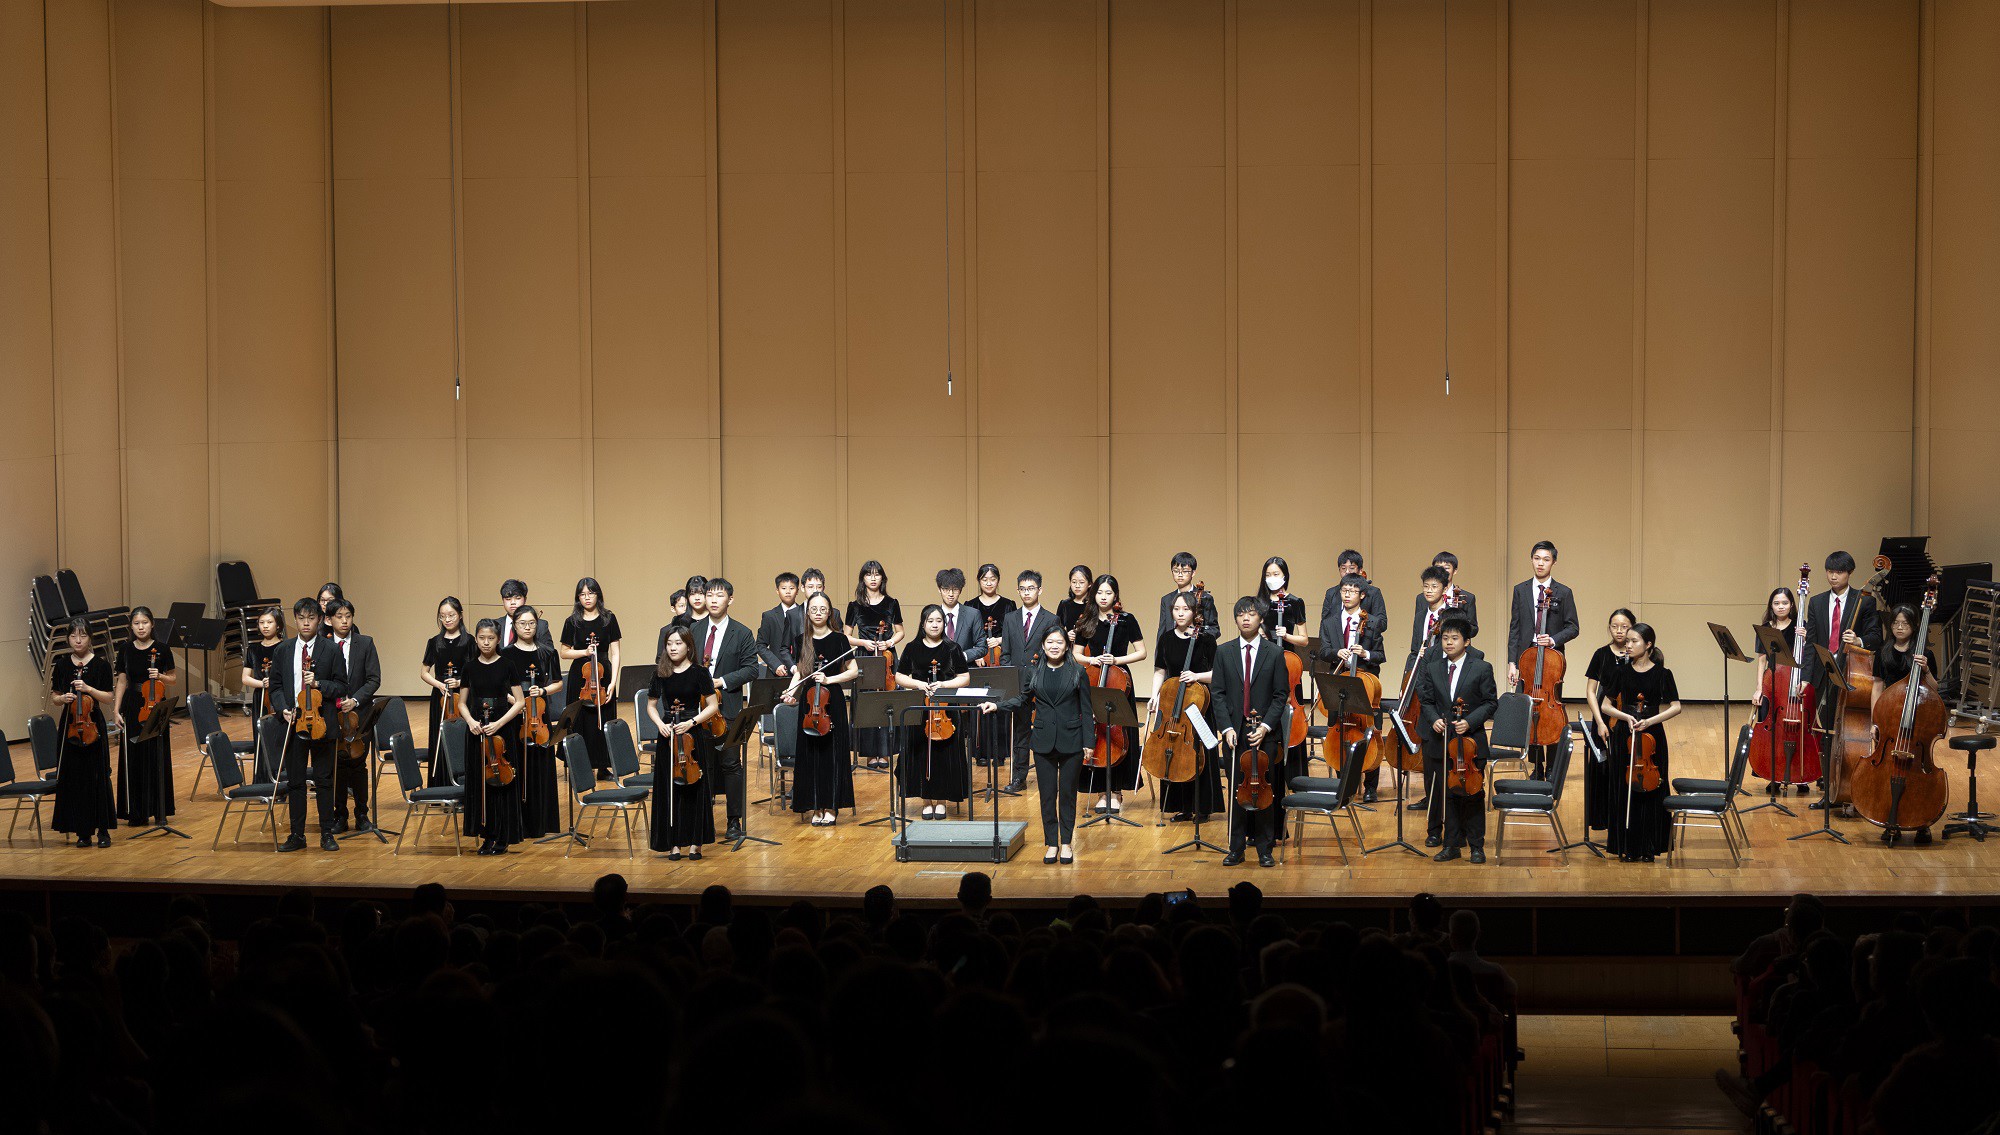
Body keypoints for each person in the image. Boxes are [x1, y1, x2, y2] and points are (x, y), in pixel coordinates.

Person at [984, 624, 1094, 864]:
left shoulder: (1078, 672)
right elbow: (1022, 700)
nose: (1054, 646)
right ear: (1043, 646)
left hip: (1072, 741)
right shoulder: (1034, 672)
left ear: (1067, 646)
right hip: (1043, 742)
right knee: (1046, 796)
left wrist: (1089, 742)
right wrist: (997, 705)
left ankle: (1066, 842)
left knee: (1067, 795)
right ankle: (1051, 843)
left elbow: (1086, 709)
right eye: (1050, 642)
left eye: (1059, 642)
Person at [1212, 597, 1289, 868]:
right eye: (1241, 614)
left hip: (1264, 733)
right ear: (1235, 619)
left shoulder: (1274, 653)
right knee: (1237, 791)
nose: (1246, 618)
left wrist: (1266, 726)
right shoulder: (1224, 652)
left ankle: (1265, 849)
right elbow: (1218, 694)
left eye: (1252, 614)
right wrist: (1227, 728)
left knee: (1265, 791)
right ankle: (1236, 848)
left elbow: (1281, 695)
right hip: (1236, 732)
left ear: (1260, 620)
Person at [269, 598, 349, 853]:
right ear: (295, 620)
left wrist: (319, 685)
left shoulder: (331, 650)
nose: (306, 622)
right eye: (301, 618)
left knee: (324, 780)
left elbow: (341, 686)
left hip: (322, 723)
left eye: (311, 618)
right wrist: (282, 708)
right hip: (293, 723)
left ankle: (326, 833)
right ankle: (297, 834)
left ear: (319, 620)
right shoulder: (283, 650)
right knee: (295, 781)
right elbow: (276, 685)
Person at [1416, 615, 1497, 863]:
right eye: (1445, 638)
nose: (1448, 643)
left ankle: (1476, 846)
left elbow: (1491, 702)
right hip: (1442, 741)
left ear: (1467, 641)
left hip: (1470, 742)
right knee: (1447, 795)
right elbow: (1427, 701)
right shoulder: (1432, 668)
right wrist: (1433, 719)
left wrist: (1470, 721)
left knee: (1472, 795)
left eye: (1454, 638)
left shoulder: (1481, 667)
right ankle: (1451, 845)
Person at [1598, 622, 1681, 862]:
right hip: (1626, 734)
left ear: (1648, 645)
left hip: (1652, 735)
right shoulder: (1620, 672)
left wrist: (1650, 720)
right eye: (1628, 641)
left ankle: (1649, 846)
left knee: (1652, 787)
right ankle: (1627, 846)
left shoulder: (1663, 674)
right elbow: (1606, 704)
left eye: (1634, 641)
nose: (1628, 644)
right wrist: (1626, 717)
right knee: (1625, 787)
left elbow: (1676, 706)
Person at [782, 593, 858, 826]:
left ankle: (832, 805)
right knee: (811, 754)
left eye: (822, 609)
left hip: (830, 701)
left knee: (832, 754)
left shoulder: (840, 640)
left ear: (829, 612)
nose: (817, 612)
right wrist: (790, 692)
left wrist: (829, 679)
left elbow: (853, 671)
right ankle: (816, 804)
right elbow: (799, 672)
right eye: (813, 609)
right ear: (808, 613)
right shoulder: (801, 639)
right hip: (808, 701)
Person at [1506, 541, 1579, 780]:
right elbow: (1514, 629)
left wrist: (1554, 640)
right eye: (1537, 558)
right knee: (1531, 713)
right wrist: (1512, 662)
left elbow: (1573, 627)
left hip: (1551, 664)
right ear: (1531, 560)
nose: (1540, 563)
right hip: (1527, 661)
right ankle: (1537, 767)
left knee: (1552, 714)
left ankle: (1553, 768)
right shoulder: (1520, 589)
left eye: (1546, 559)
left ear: (1553, 562)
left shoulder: (1563, 592)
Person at [647, 625, 719, 859]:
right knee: (671, 789)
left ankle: (695, 842)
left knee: (694, 787)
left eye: (678, 643)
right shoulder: (660, 673)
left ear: (688, 646)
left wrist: (692, 722)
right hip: (668, 734)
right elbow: (651, 706)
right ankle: (673, 842)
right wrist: (660, 724)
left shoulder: (700, 672)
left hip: (691, 734)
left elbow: (712, 706)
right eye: (669, 644)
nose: (673, 648)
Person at [1075, 574, 1145, 816]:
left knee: (1118, 734)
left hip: (1119, 681)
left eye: (1108, 593)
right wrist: (1091, 659)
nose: (1104, 597)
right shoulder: (1087, 620)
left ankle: (1116, 791)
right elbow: (1076, 654)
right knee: (1096, 732)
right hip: (1094, 678)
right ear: (1094, 595)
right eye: (1100, 593)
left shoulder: (1127, 620)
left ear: (1116, 595)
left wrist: (1117, 660)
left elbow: (1142, 653)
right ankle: (1100, 793)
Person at [697, 578, 760, 842]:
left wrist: (721, 681)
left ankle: (734, 821)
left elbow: (751, 669)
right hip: (699, 711)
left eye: (719, 595)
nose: (713, 599)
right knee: (704, 766)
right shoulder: (694, 629)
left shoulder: (742, 632)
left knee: (731, 764)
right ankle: (703, 820)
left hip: (730, 710)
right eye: (709, 594)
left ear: (729, 600)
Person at [896, 604, 972, 819]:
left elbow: (964, 677)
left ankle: (941, 801)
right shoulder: (912, 647)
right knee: (921, 753)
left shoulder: (953, 648)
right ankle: (926, 800)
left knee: (945, 753)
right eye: (930, 620)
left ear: (944, 623)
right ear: (923, 623)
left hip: (947, 708)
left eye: (939, 620)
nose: (935, 624)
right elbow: (900, 676)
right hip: (921, 707)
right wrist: (919, 684)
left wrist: (944, 686)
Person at [459, 618, 526, 856]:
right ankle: (486, 835)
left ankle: (503, 836)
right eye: (481, 638)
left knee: (502, 783)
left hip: (502, 730)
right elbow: (462, 704)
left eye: (491, 638)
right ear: (475, 639)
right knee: (481, 784)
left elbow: (519, 702)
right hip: (477, 731)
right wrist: (470, 722)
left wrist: (498, 723)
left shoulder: (507, 665)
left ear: (498, 640)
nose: (486, 643)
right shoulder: (469, 667)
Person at [1317, 575, 1387, 800]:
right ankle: (1343, 783)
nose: (1347, 595)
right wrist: (1336, 652)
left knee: (1369, 729)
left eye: (1352, 591)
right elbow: (1323, 650)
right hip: (1338, 680)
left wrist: (1365, 653)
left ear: (1362, 595)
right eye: (1344, 591)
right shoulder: (1329, 622)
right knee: (1338, 727)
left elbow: (1380, 655)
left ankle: (1371, 788)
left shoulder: (1373, 622)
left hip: (1365, 682)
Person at [1153, 591, 1219, 823]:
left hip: (1199, 704)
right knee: (1172, 750)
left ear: (1195, 613)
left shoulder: (1206, 640)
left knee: (1198, 752)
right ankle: (1181, 806)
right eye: (1176, 609)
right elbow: (1161, 669)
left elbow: (1218, 674)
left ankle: (1202, 807)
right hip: (1173, 705)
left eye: (1185, 609)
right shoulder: (1167, 638)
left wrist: (1197, 675)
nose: (1180, 613)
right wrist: (1154, 696)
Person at [49, 622, 115, 847]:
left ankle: (103, 830)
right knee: (75, 778)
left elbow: (108, 697)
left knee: (98, 776)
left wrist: (88, 689)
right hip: (70, 727)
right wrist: (63, 699)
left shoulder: (101, 665)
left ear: (90, 638)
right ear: (68, 639)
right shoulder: (62, 666)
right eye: (74, 636)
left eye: (83, 636)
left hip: (93, 725)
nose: (78, 640)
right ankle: (82, 831)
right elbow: (55, 697)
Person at [113, 606, 178, 826]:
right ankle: (136, 811)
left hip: (156, 705)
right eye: (136, 623)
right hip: (133, 704)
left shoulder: (162, 648)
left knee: (157, 755)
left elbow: (173, 679)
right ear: (131, 626)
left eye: (145, 623)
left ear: (152, 624)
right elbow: (122, 681)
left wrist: (159, 675)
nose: (141, 627)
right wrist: (116, 709)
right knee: (134, 755)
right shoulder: (125, 650)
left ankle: (160, 810)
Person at [324, 600, 382, 835]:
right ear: (329, 620)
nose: (345, 620)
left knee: (358, 764)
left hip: (359, 715)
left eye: (348, 616)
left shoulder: (365, 643)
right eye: (339, 616)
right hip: (332, 715)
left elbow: (374, 679)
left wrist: (355, 700)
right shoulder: (324, 646)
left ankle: (362, 814)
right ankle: (339, 815)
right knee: (337, 765)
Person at [1000, 570, 1060, 796]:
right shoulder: (1010, 618)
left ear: (1040, 590)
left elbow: (1055, 651)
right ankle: (1019, 777)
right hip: (1018, 684)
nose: (1027, 592)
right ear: (1018, 591)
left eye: (1031, 588)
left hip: (1043, 682)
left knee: (1046, 730)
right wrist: (1011, 678)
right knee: (1020, 731)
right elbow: (1005, 653)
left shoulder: (1051, 619)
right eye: (1023, 589)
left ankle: (1049, 774)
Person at [1751, 586, 1815, 795]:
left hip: (1796, 686)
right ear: (1771, 605)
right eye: (1777, 603)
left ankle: (1801, 775)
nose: (1781, 607)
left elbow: (1808, 656)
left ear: (1792, 605)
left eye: (1785, 603)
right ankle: (1773, 773)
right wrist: (1759, 688)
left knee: (1801, 729)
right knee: (1772, 731)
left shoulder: (1800, 627)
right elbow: (1762, 660)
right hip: (1773, 686)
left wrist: (1805, 639)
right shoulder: (1766, 628)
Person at [1805, 551, 1881, 724]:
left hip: (1851, 672)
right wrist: (1805, 677)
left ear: (1849, 572)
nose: (1833, 576)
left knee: (1848, 723)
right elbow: (1811, 643)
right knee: (1823, 725)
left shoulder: (1864, 601)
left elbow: (1876, 637)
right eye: (1830, 571)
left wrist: (1858, 640)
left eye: (1839, 572)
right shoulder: (1816, 602)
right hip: (1822, 673)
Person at [558, 577, 621, 780]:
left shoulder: (609, 618)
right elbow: (564, 652)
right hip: (581, 676)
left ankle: (603, 767)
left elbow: (616, 652)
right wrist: (584, 652)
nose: (587, 598)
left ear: (598, 595)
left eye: (591, 593)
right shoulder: (572, 621)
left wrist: (612, 683)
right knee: (579, 721)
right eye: (583, 594)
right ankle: (578, 765)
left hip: (603, 675)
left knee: (603, 720)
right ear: (578, 597)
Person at [509, 606, 564, 839]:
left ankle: (541, 822)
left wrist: (541, 689)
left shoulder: (547, 653)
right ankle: (519, 822)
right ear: (514, 625)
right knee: (518, 766)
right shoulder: (506, 654)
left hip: (539, 718)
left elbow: (557, 683)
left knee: (541, 767)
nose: (528, 627)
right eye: (522, 623)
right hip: (516, 718)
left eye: (532, 623)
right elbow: (503, 688)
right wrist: (518, 703)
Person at [846, 561, 903, 772]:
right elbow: (846, 636)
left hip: (887, 656)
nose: (873, 578)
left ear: (882, 578)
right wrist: (864, 643)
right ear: (863, 579)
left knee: (887, 702)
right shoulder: (855, 606)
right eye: (868, 575)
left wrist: (889, 642)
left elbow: (900, 631)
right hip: (865, 656)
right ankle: (870, 753)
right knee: (868, 702)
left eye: (877, 574)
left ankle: (886, 751)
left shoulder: (891, 603)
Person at [1582, 608, 1635, 834]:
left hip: (1628, 718)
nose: (1619, 631)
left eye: (1624, 626)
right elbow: (1591, 692)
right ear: (1609, 627)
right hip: (1603, 718)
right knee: (1603, 769)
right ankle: (1604, 819)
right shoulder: (1601, 654)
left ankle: (1625, 819)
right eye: (1615, 626)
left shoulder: (1637, 653)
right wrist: (1600, 722)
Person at [965, 563, 1017, 773]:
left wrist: (999, 640)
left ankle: (1000, 752)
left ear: (998, 580)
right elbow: (967, 634)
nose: (989, 582)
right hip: (978, 660)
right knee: (978, 705)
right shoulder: (970, 604)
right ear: (979, 581)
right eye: (985, 579)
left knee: (1001, 701)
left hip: (1001, 658)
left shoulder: (1008, 604)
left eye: (992, 579)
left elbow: (1014, 633)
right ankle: (980, 752)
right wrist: (977, 653)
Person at [419, 597, 474, 786]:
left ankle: (463, 785)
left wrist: (459, 681)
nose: (447, 619)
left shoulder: (469, 641)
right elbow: (424, 672)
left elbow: (475, 672)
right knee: (440, 738)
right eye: (443, 616)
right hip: (441, 697)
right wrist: (439, 685)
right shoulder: (435, 642)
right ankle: (440, 786)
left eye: (451, 615)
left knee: (463, 737)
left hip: (463, 697)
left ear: (460, 615)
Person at [1319, 549, 1389, 638]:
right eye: (1343, 568)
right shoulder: (1331, 593)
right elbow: (1324, 624)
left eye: (1351, 568)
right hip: (1337, 647)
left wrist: (1361, 623)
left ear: (1360, 570)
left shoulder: (1373, 592)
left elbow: (1382, 623)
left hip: (1364, 644)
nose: (1347, 572)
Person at [1156, 551, 1220, 642]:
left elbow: (1214, 629)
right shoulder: (1166, 600)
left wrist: (1199, 641)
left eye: (1185, 571)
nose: (1180, 574)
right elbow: (1162, 631)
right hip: (1172, 649)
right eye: (1176, 571)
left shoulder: (1205, 598)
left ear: (1193, 573)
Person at [1872, 604, 1935, 693]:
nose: (1899, 627)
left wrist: (1926, 669)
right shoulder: (1882, 652)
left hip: (1917, 704)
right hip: (1889, 703)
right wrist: (1876, 707)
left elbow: (1934, 688)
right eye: (1895, 623)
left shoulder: (1925, 654)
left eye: (1905, 623)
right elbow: (1877, 685)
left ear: (1914, 625)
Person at [755, 572, 805, 678]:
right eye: (783, 588)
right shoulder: (769, 616)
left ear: (797, 590)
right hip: (777, 673)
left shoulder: (805, 614)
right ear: (777, 591)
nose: (788, 592)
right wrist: (775, 665)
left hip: (803, 672)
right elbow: (760, 645)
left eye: (791, 588)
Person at [240, 607, 284, 724]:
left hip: (281, 694)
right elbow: (245, 678)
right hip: (260, 695)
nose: (265, 626)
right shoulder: (253, 649)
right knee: (260, 730)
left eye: (270, 622)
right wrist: (262, 684)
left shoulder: (285, 647)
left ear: (278, 625)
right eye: (262, 622)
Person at [1433, 551, 1480, 638]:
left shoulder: (1468, 598)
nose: (1442, 571)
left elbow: (1474, 629)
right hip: (1430, 649)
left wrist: (1458, 626)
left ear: (1455, 571)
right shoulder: (1422, 598)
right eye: (1438, 567)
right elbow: (1418, 630)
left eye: (1447, 568)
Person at [498, 579, 548, 650]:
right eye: (508, 599)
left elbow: (548, 654)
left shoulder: (541, 625)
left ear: (525, 599)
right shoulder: (495, 625)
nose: (513, 602)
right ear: (503, 600)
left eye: (517, 598)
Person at [1056, 565, 1095, 641]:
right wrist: (1066, 636)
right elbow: (1056, 630)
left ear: (1089, 584)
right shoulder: (1064, 604)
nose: (1077, 586)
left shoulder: (1094, 604)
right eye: (1074, 582)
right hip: (1070, 648)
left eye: (1081, 582)